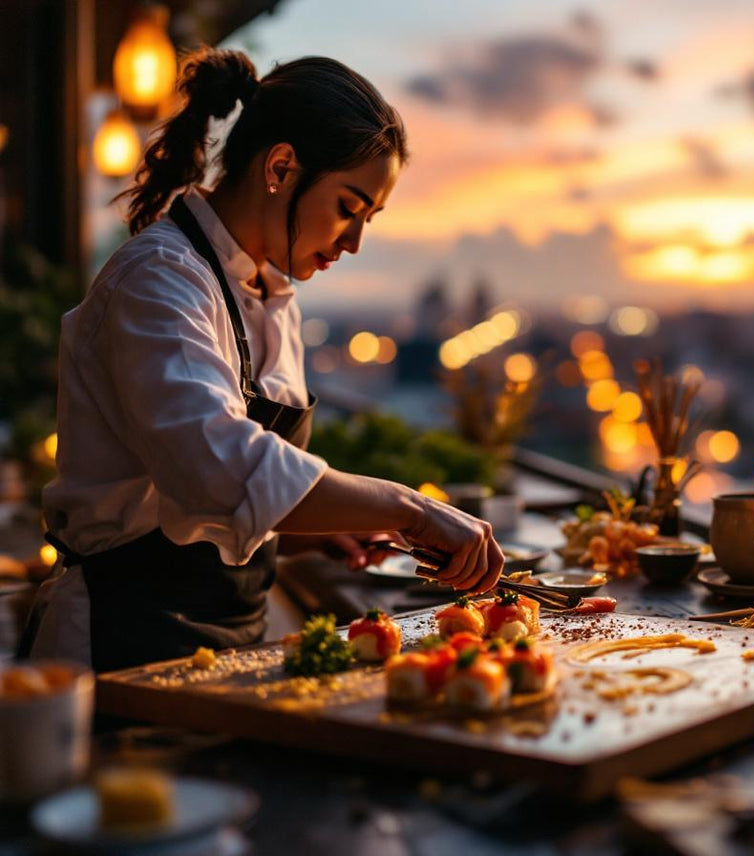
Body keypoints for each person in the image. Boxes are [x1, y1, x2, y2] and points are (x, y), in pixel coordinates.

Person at [19, 47, 503, 672]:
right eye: (348, 208)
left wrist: (311, 527)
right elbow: (214, 467)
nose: (354, 242)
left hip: (221, 651)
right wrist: (409, 508)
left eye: (369, 219)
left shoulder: (272, 298)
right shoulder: (158, 279)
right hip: (116, 645)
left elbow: (199, 510)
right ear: (279, 167)